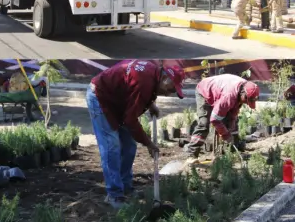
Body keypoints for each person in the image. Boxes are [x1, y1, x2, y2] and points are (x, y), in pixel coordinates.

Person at [86, 60, 185, 209]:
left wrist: (150, 104)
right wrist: (148, 143)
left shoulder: (154, 74)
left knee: (129, 146)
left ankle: (125, 186)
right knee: (111, 146)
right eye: (171, 89)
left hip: (119, 101)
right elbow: (131, 120)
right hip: (100, 97)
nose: (168, 93)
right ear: (165, 79)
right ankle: (114, 195)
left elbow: (133, 89)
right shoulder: (144, 82)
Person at [184, 74, 260, 164]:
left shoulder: (243, 91)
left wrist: (230, 128)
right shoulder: (229, 96)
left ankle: (225, 154)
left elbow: (233, 114)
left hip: (221, 92)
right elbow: (215, 119)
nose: (246, 103)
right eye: (246, 101)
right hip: (204, 91)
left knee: (230, 123)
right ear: (243, 93)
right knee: (204, 123)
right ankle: (191, 155)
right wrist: (225, 134)